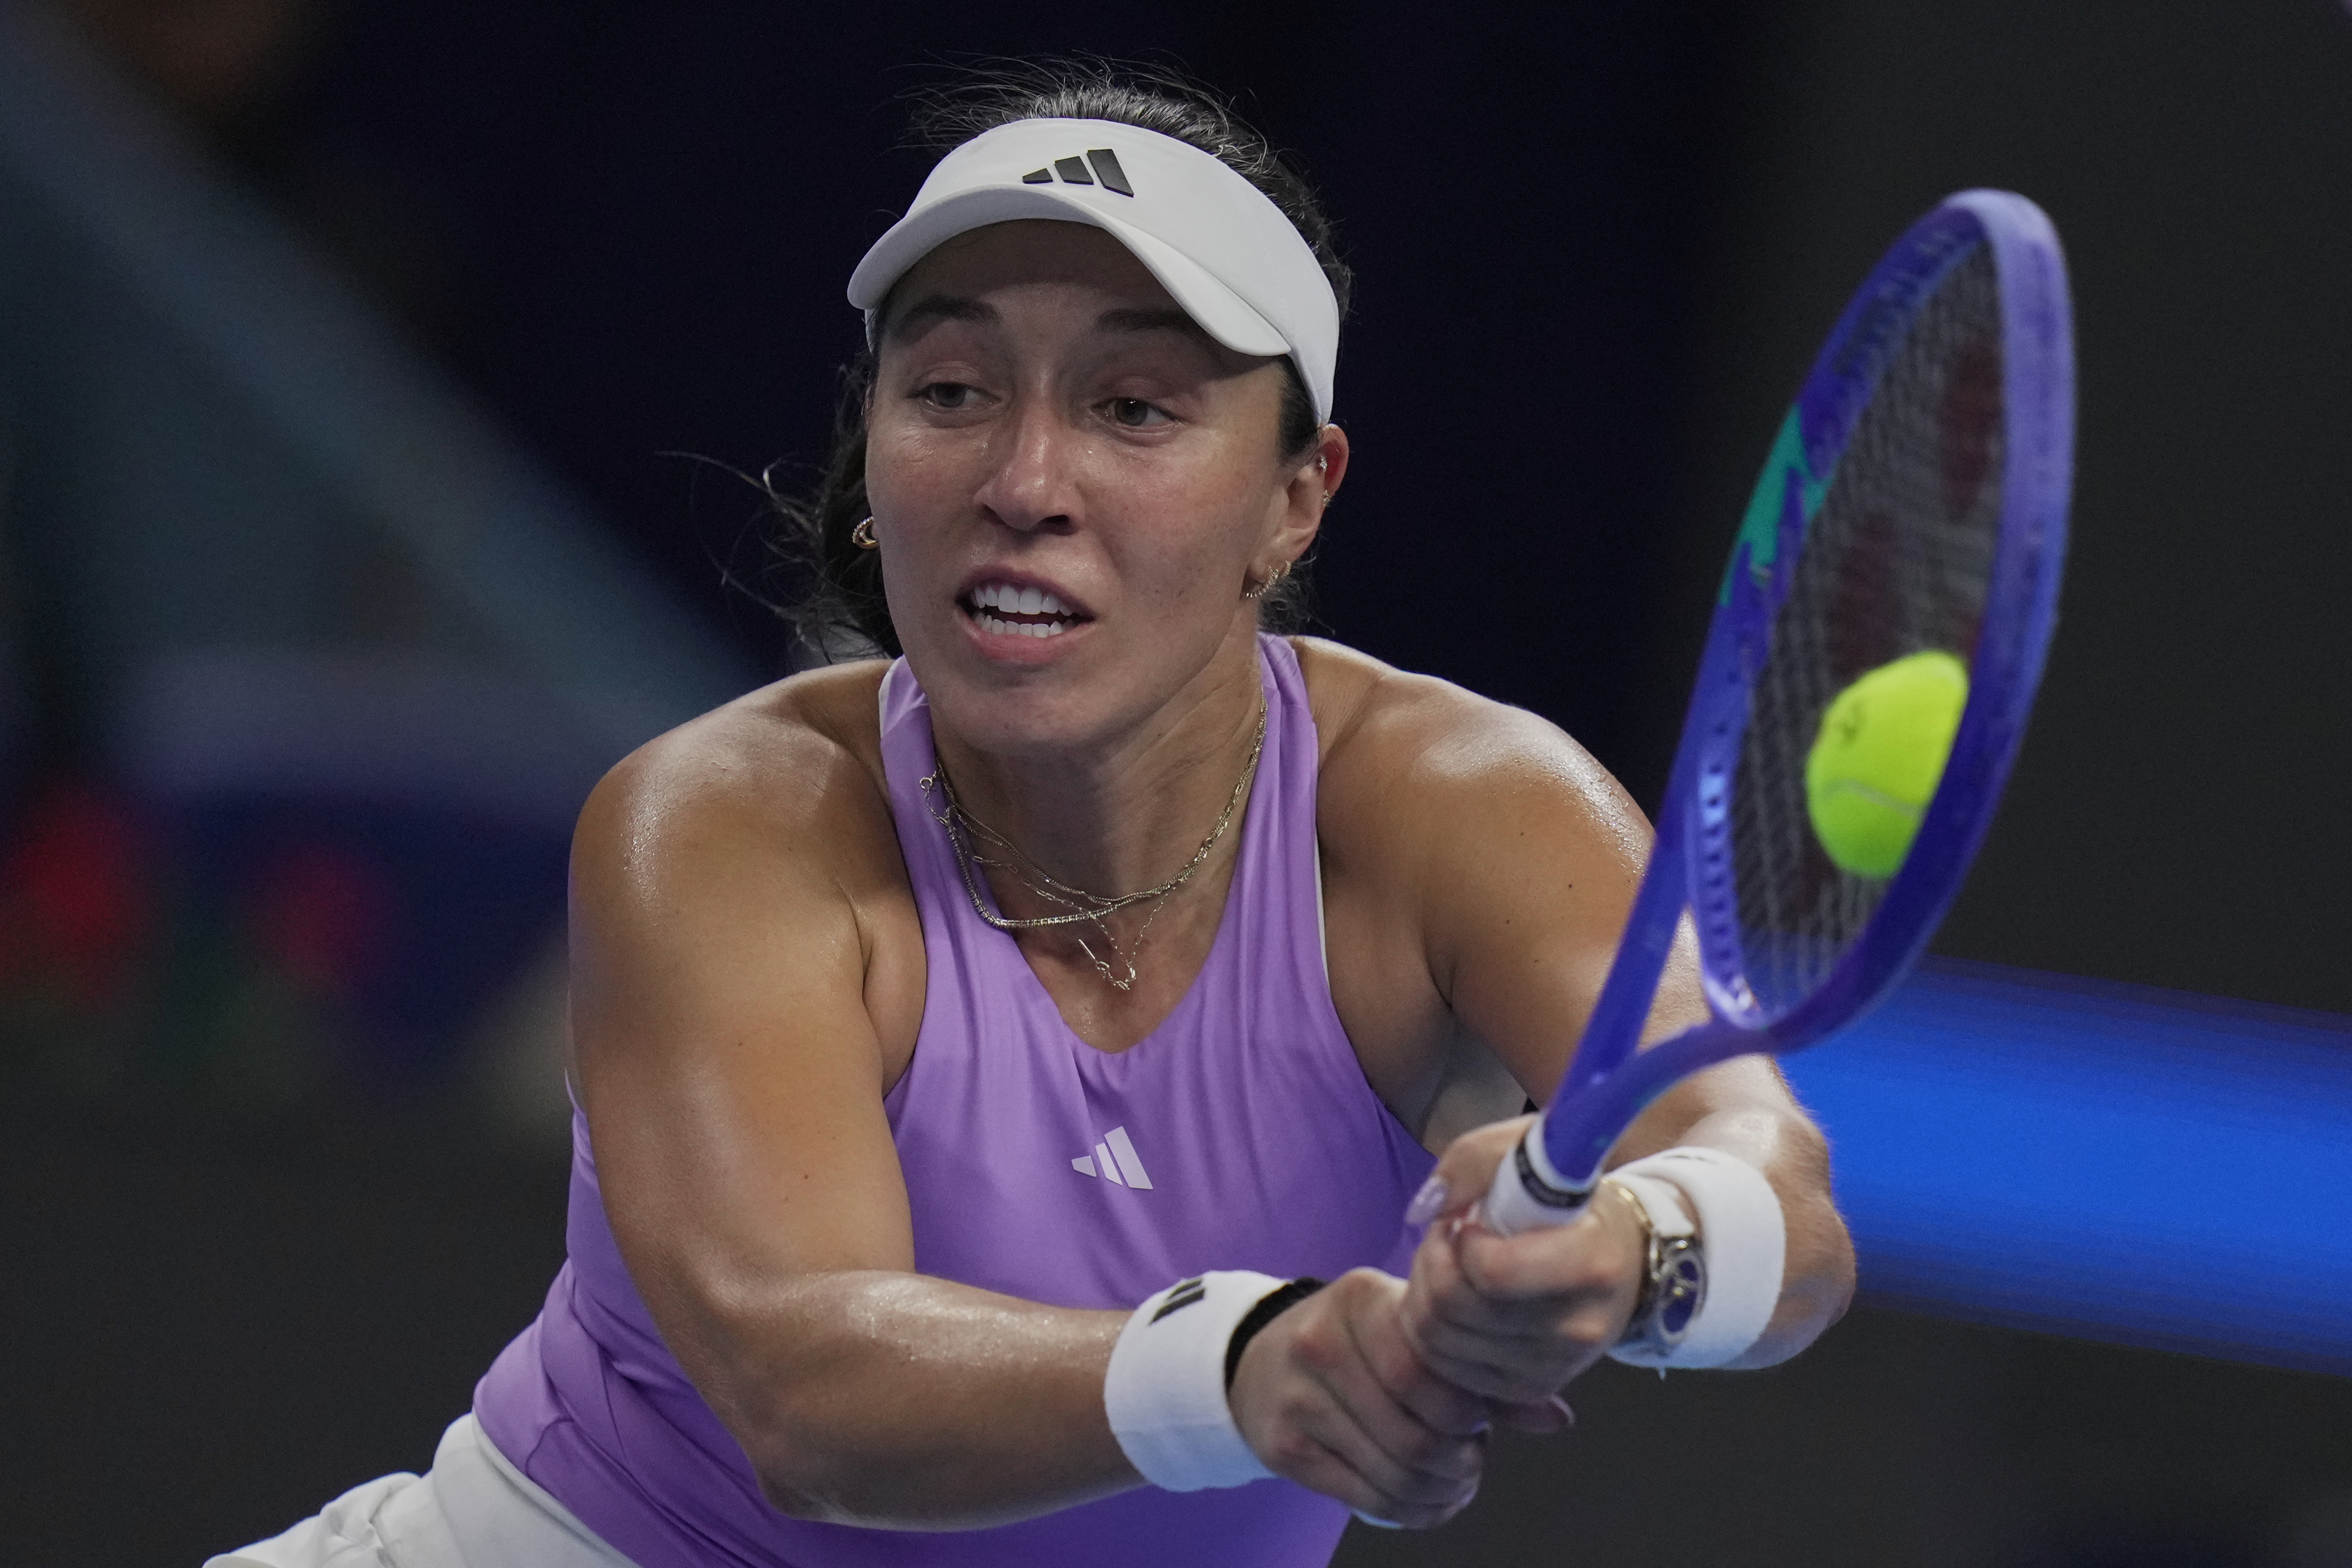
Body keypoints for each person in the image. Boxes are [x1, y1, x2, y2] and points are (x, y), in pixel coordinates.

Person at [209, 63, 1854, 1568]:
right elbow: (808, 1394)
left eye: (1134, 407)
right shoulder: (722, 821)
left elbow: (1774, 1189)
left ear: (1296, 498)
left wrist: (1634, 1242)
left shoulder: (1455, 805)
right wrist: (1244, 1362)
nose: (1024, 479)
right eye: (950, 390)